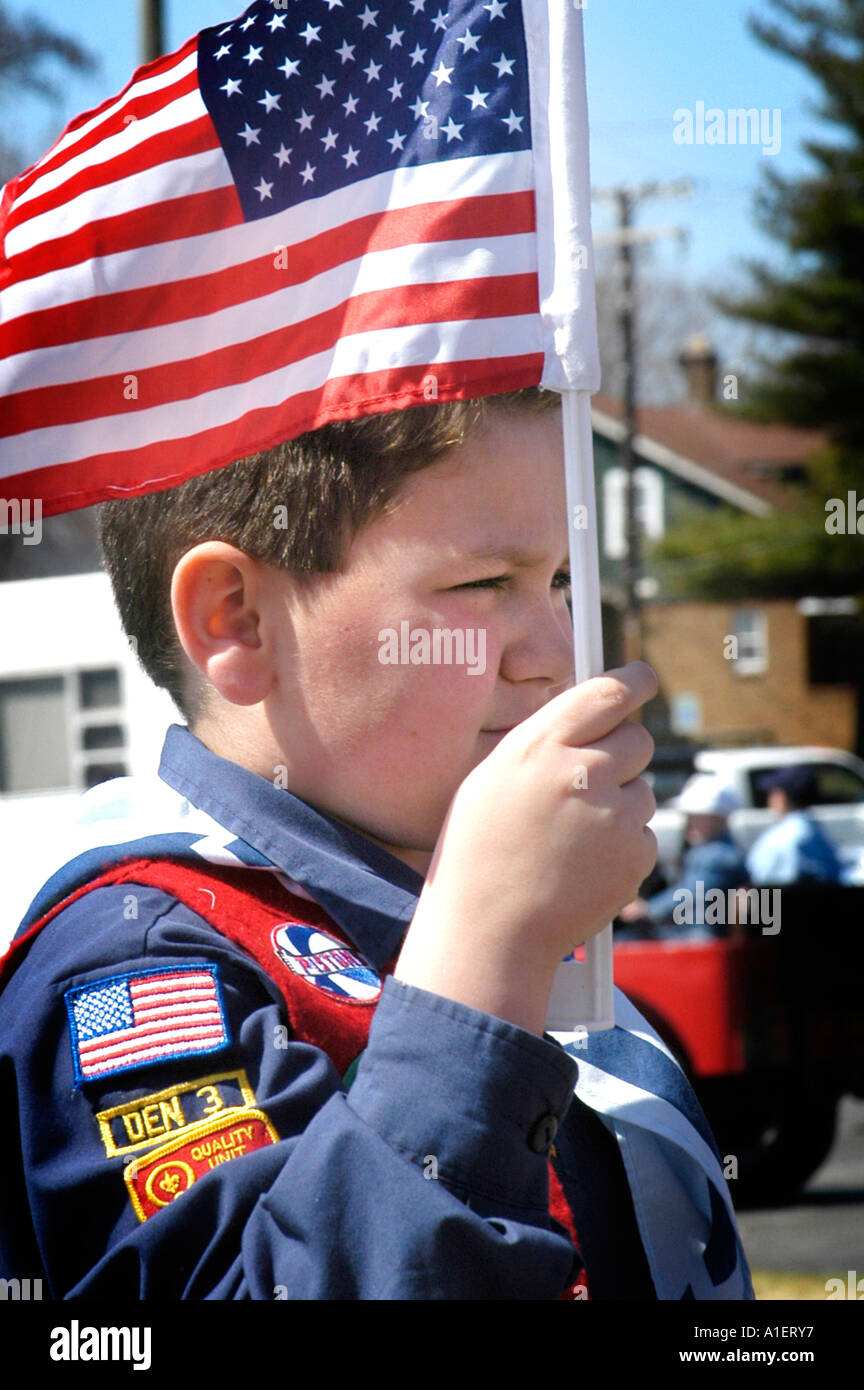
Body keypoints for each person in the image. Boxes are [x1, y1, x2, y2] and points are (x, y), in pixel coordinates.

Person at [0, 394, 751, 1299]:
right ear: (237, 618)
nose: (561, 653)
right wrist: (486, 954)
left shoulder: (445, 907)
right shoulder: (143, 957)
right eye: (484, 585)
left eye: (561, 582)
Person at [618, 773, 746, 938]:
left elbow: (691, 892)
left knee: (625, 940)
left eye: (698, 817)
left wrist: (647, 909)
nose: (690, 823)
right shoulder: (715, 852)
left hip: (699, 938)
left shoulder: (717, 857)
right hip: (693, 934)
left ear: (719, 819)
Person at [747, 766, 844, 885]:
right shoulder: (813, 830)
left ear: (781, 797)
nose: (769, 800)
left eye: (772, 793)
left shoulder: (786, 836)